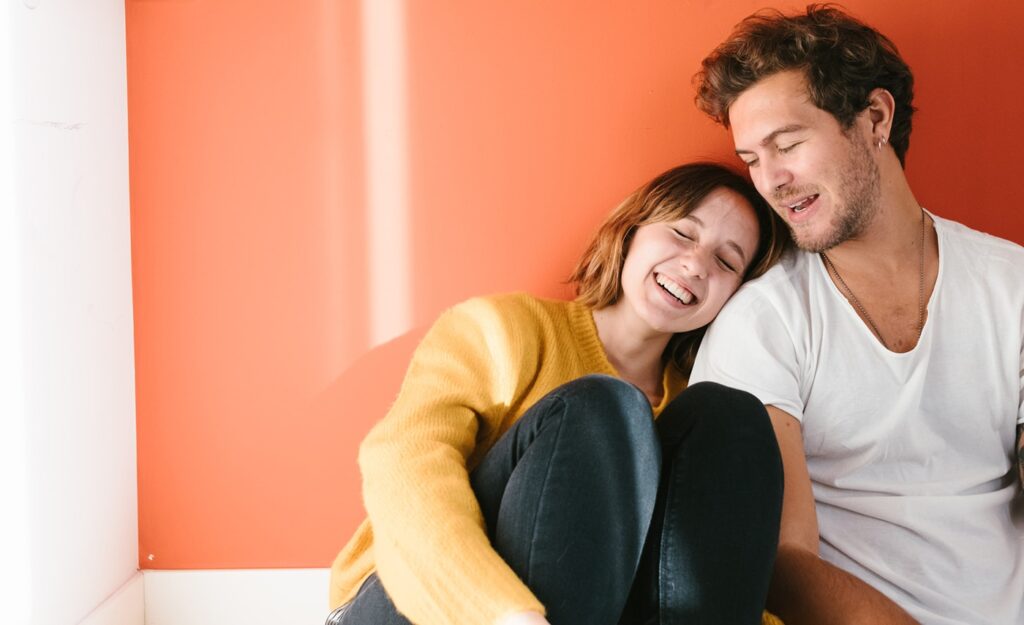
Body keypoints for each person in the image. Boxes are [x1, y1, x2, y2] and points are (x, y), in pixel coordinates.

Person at [326, 162, 791, 625]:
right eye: (683, 234)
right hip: (421, 606)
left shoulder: (694, 426)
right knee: (606, 408)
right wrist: (506, 615)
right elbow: (405, 464)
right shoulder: (504, 330)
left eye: (726, 261)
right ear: (633, 231)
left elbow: (724, 578)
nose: (694, 265)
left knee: (730, 415)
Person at [690, 5, 1024, 625]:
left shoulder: (1013, 286)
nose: (773, 180)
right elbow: (781, 562)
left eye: (787, 144)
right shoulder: (762, 323)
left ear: (875, 118)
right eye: (753, 159)